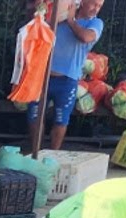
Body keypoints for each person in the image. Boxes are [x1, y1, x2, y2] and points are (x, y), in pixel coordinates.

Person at [27, 0, 105, 152]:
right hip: (43, 77)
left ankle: (53, 154)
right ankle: (35, 150)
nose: (96, 9)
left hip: (67, 80)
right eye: (93, 4)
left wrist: (70, 20)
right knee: (34, 115)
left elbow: (86, 37)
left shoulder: (96, 23)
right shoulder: (60, 16)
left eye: (100, 6)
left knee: (61, 119)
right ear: (83, 2)